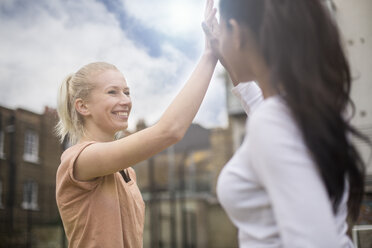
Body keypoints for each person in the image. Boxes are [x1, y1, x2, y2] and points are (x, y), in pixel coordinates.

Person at [202, 0, 370, 247]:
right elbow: (269, 112)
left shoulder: (273, 122)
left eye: (225, 31)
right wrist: (226, 57)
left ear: (236, 33)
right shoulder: (317, 107)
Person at [55, 1, 218, 247]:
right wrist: (210, 55)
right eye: (112, 92)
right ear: (83, 106)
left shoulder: (127, 171)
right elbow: (169, 131)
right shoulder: (78, 160)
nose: (125, 101)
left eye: (127, 92)